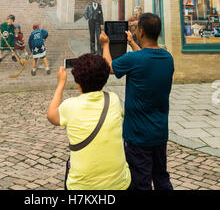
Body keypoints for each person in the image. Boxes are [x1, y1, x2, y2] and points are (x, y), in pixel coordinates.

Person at [100, 13, 174, 191]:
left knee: (140, 182)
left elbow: (109, 67)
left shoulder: (134, 60)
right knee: (161, 177)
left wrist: (105, 45)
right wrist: (132, 43)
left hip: (138, 135)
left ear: (140, 31)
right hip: (159, 132)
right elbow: (146, 59)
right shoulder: (168, 58)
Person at [47, 54, 131, 190]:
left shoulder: (70, 106)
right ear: (104, 79)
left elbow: (51, 115)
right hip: (119, 184)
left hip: (82, 187)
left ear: (78, 82)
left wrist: (61, 84)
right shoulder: (113, 100)